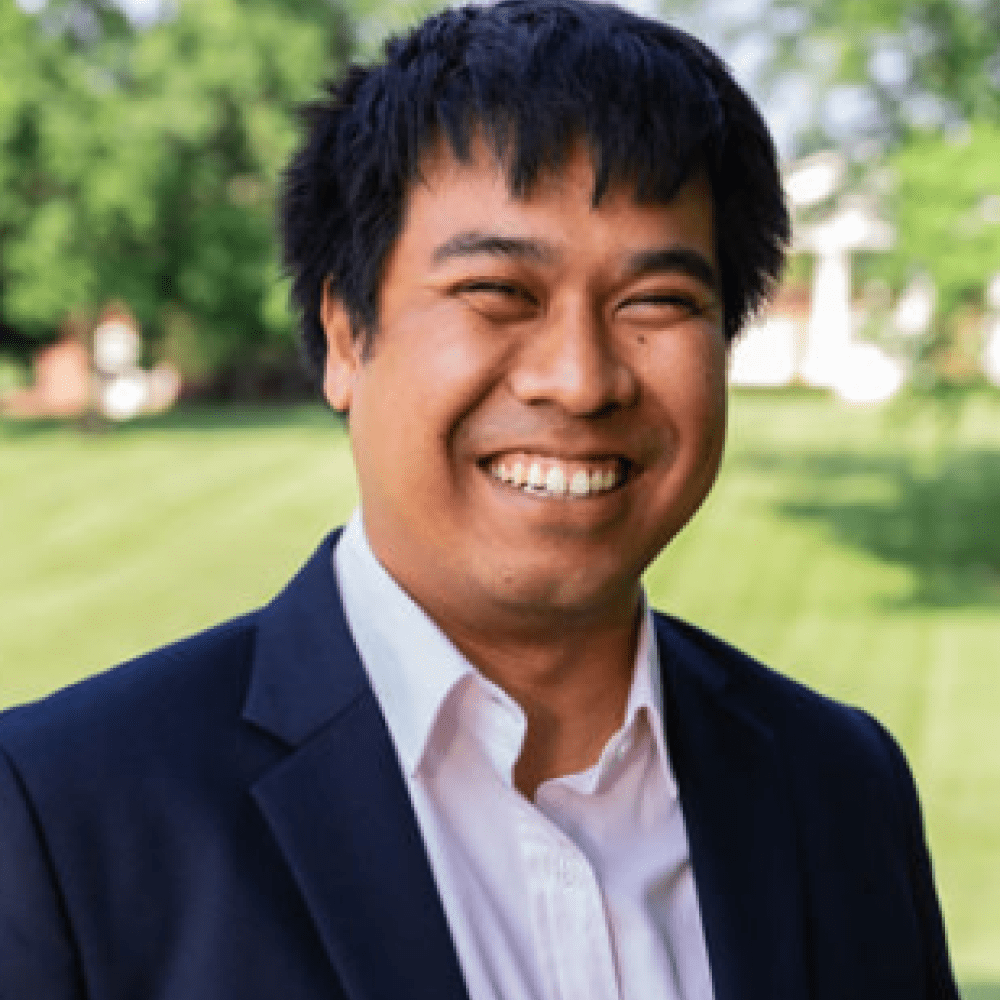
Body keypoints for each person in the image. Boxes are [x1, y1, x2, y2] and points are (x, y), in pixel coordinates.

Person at [0, 2, 960, 998]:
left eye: (658, 304)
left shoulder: (839, 786)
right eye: (499, 293)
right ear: (344, 333)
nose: (581, 380)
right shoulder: (64, 817)